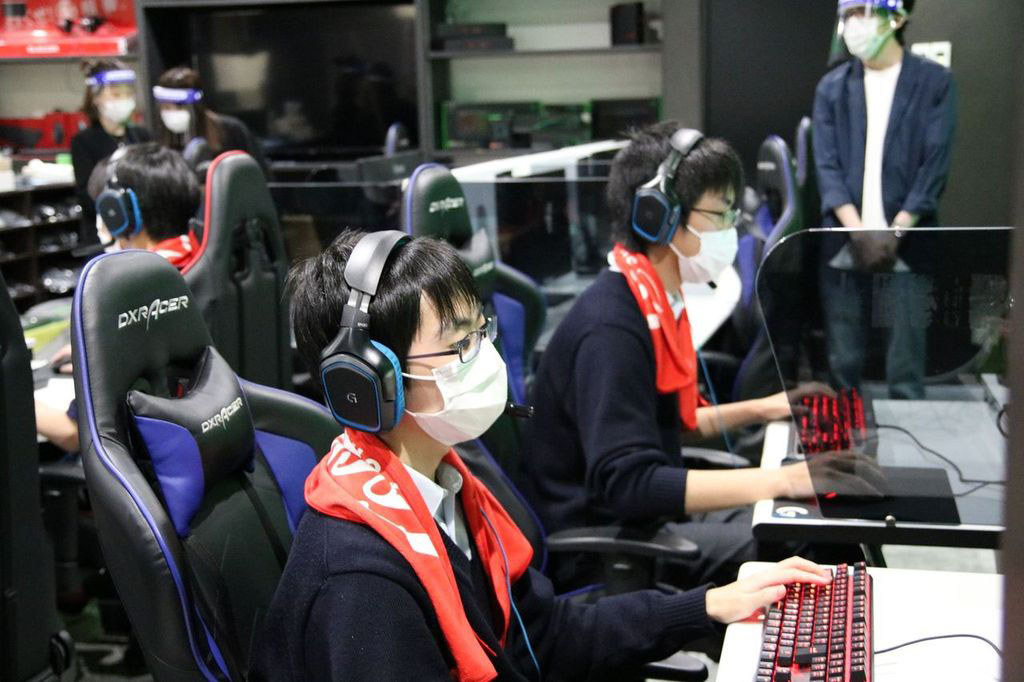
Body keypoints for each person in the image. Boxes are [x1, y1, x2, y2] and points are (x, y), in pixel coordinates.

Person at [251, 228, 833, 681]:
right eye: (458, 344)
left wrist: (708, 605)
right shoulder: (361, 581)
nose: (484, 357)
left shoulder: (448, 492)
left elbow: (544, 637)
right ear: (365, 382)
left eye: (481, 332)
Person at [520, 122, 845, 591]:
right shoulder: (611, 330)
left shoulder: (652, 302)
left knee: (812, 519)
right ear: (658, 215)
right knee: (809, 542)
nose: (732, 227)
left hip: (648, 518)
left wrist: (766, 407)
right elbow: (629, 485)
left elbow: (671, 422)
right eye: (720, 212)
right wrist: (785, 480)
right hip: (610, 546)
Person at [813, 0, 956, 399]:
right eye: (848, 15)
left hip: (908, 243)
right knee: (842, 361)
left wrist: (896, 231)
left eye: (862, 12)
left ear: (897, 17)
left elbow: (934, 166)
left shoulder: (934, 82)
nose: (853, 23)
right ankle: (845, 434)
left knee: (906, 363)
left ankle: (908, 435)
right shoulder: (832, 88)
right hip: (845, 241)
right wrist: (858, 232)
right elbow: (827, 166)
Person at [34, 142, 202, 450]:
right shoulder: (197, 262)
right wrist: (94, 355)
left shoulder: (131, 297)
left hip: (139, 459)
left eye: (105, 210)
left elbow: (73, 434)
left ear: (121, 215)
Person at [71, 60, 151, 247]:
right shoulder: (83, 142)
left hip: (144, 233)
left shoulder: (142, 135)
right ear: (95, 97)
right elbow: (87, 196)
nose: (123, 100)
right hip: (106, 235)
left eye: (128, 94)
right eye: (116, 94)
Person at [152, 66, 266, 169]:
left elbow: (257, 173)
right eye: (166, 107)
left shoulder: (232, 130)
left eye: (180, 106)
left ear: (197, 105)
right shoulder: (160, 136)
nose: (172, 112)